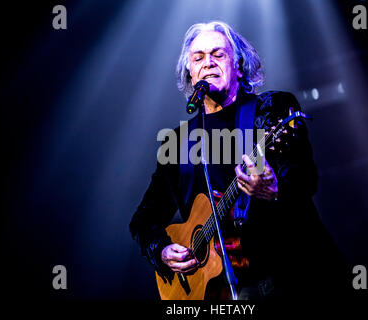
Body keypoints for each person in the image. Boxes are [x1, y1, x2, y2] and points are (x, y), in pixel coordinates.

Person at [130, 21, 348, 299]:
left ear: (239, 63)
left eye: (218, 54)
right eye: (198, 58)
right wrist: (161, 250)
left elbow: (305, 178)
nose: (207, 63)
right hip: (221, 291)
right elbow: (143, 218)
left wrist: (275, 190)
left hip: (294, 277)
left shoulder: (271, 110)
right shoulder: (178, 141)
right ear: (189, 71)